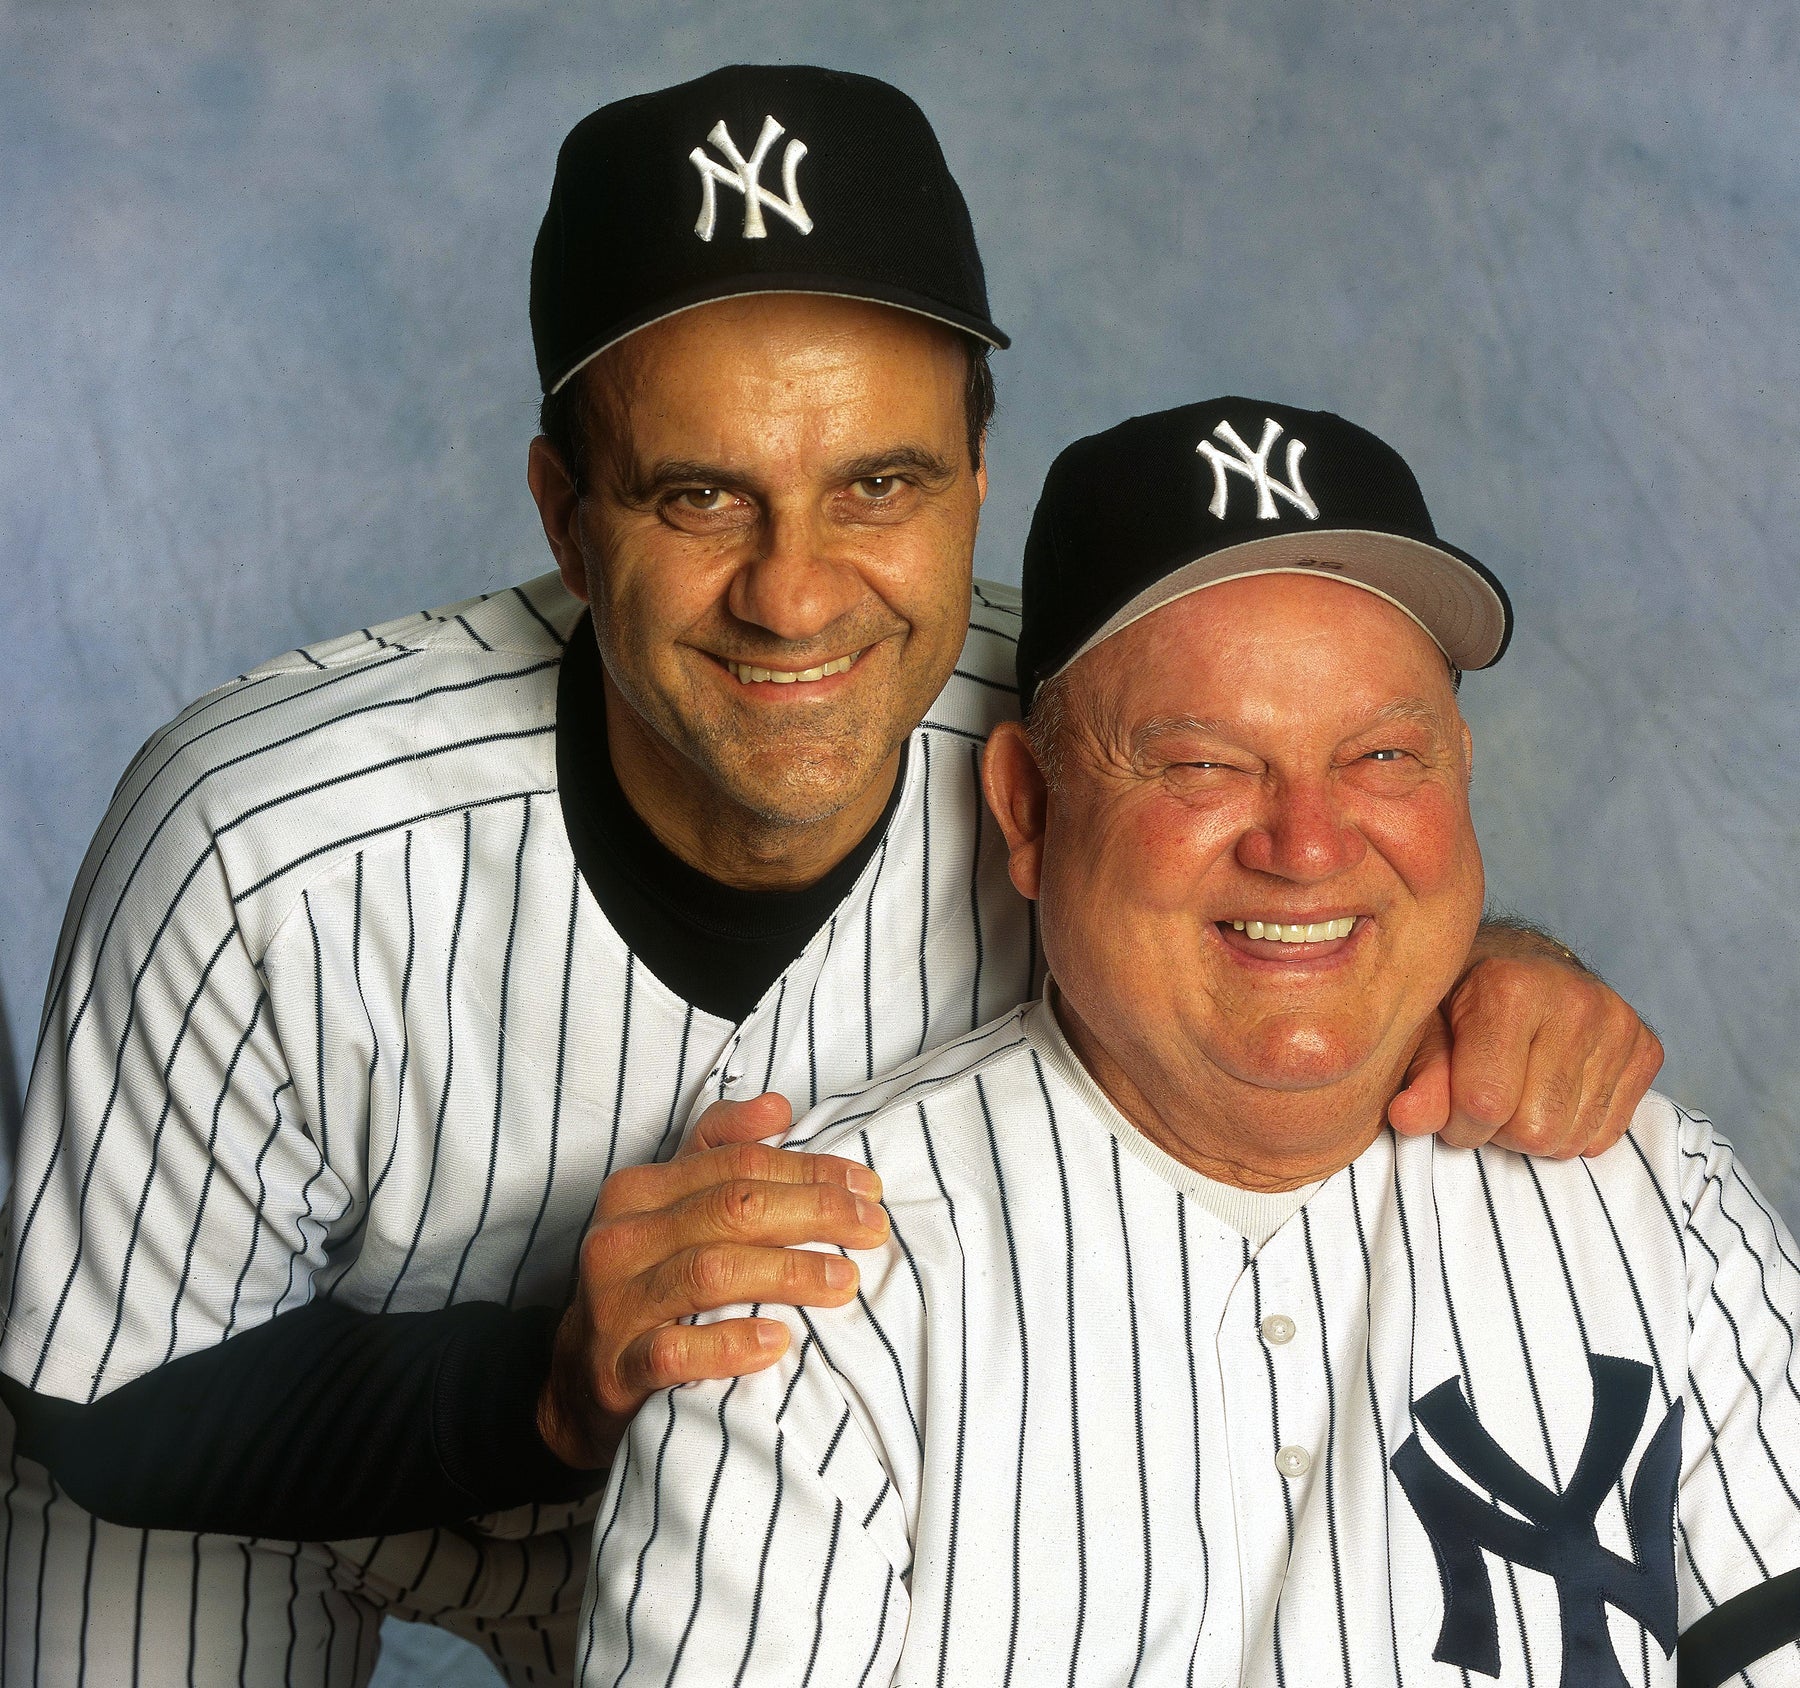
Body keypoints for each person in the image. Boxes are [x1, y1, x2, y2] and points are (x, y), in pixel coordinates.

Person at [0, 67, 1657, 1688]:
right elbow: (107, 1409)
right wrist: (554, 1383)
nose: (794, 597)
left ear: (975, 482)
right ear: (570, 522)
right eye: (702, 494)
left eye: (880, 484)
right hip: (275, 1498)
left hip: (802, 1526)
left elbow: (1322, 873)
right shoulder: (263, 831)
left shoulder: (1102, 744)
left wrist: (1494, 967)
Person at [581, 398, 1800, 1688]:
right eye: (1205, 765)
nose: (1309, 846)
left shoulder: (1648, 1186)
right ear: (1030, 809)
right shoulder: (809, 1283)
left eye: (1384, 755)